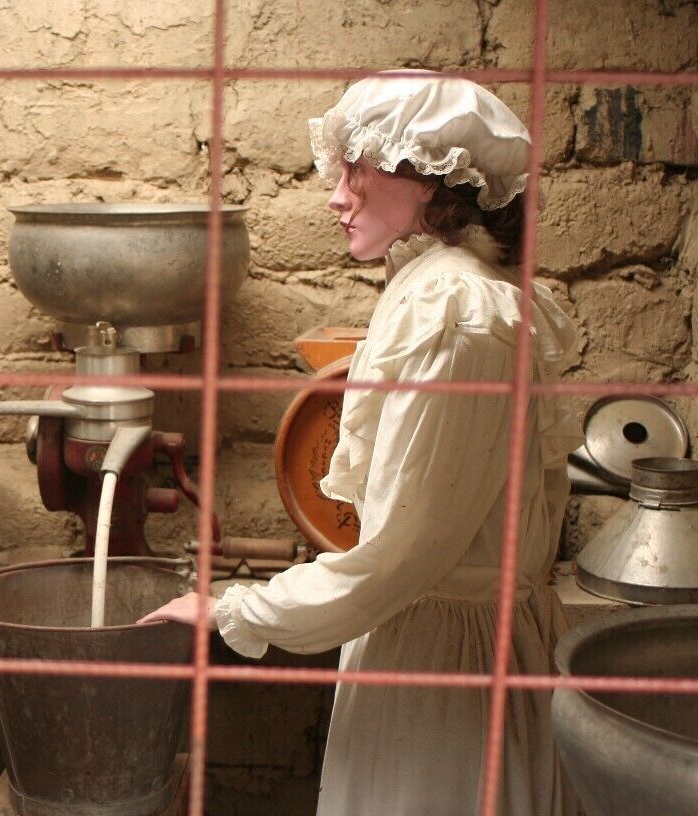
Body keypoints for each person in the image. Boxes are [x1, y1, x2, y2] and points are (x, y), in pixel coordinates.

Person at [139, 70, 581, 816]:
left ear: (432, 179)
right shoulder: (446, 290)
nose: (336, 196)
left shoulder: (459, 314)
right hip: (439, 650)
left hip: (449, 682)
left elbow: (402, 554)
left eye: (359, 169)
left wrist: (234, 611)